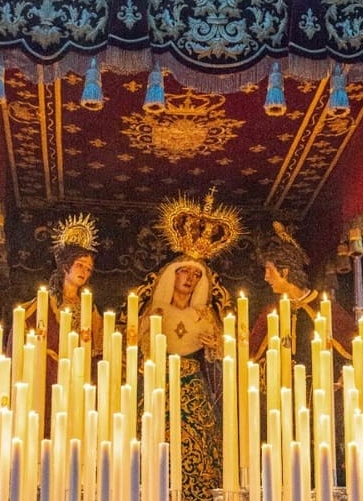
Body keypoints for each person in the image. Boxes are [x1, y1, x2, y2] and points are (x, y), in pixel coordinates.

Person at [135, 191, 240, 499]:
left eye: (197, 275)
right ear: (172, 274)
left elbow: (220, 354)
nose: (190, 278)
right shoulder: (155, 312)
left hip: (194, 385)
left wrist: (214, 347)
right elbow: (139, 351)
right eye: (185, 271)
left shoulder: (205, 314)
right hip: (160, 384)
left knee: (201, 441)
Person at [18, 213, 103, 395]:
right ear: (66, 266)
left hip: (79, 375)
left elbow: (99, 346)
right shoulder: (46, 302)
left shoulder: (89, 308)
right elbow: (23, 330)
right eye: (80, 265)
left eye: (88, 269)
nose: (84, 272)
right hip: (50, 377)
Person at [249, 221, 356, 366]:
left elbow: (356, 348)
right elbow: (248, 354)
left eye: (269, 270)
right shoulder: (271, 314)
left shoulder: (325, 309)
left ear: (285, 272)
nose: (266, 277)